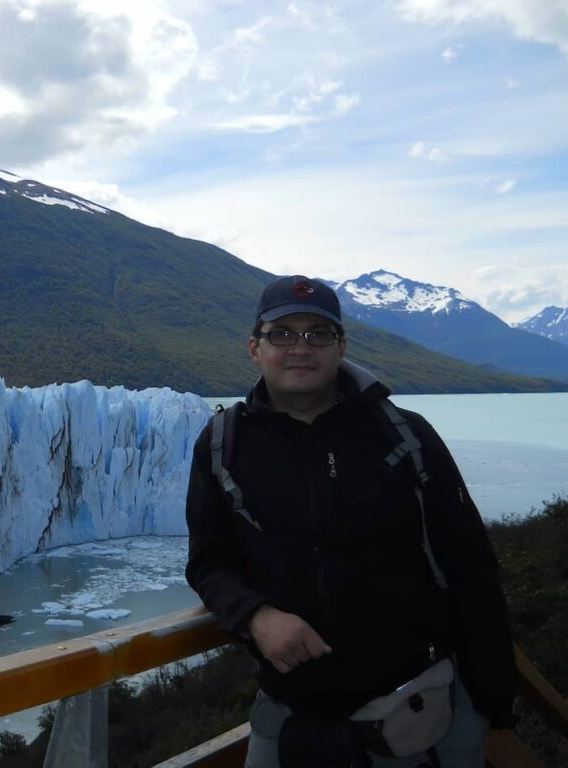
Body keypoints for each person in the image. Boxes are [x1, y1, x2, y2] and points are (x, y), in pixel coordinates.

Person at [185, 275, 516, 767]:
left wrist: (494, 701)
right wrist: (255, 615)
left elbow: (470, 565)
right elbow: (210, 562)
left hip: (419, 711)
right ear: (255, 349)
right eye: (283, 334)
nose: (300, 348)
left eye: (318, 334)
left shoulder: (405, 437)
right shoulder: (222, 445)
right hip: (289, 714)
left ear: (341, 347)